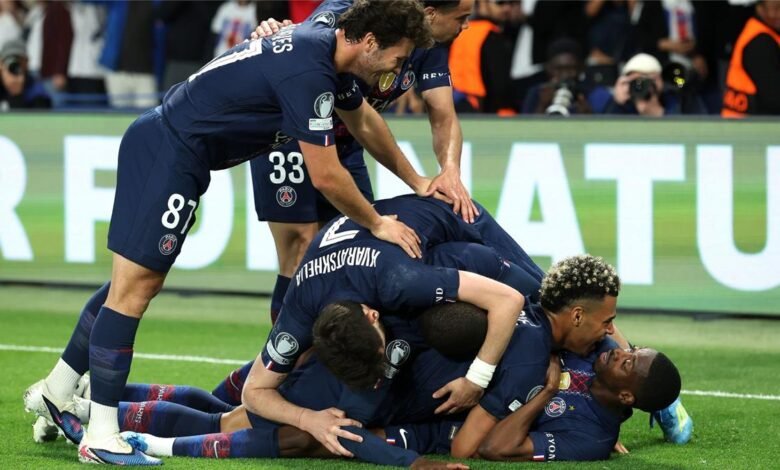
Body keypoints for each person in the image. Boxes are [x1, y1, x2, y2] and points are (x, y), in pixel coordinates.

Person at [23, 1, 434, 465]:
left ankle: (58, 390)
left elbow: (362, 122)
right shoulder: (311, 69)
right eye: (398, 58)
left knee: (134, 282)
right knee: (134, 288)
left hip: (178, 151)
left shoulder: (327, 60)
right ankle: (100, 435)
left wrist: (417, 181)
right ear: (370, 43)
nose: (397, 70)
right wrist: (377, 222)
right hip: (169, 150)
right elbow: (325, 175)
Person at [241, 195, 534, 457]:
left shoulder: (400, 282)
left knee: (544, 304)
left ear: (372, 314)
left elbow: (508, 300)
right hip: (388, 257)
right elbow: (253, 392)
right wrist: (307, 419)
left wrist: (476, 380)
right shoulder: (301, 305)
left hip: (457, 219)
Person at [249, 0, 478, 325]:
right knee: (301, 248)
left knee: (354, 249)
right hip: (289, 136)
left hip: (345, 146)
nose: (466, 26)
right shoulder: (348, 14)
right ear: (430, 14)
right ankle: (286, 351)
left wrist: (450, 170)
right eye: (462, 17)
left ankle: (336, 346)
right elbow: (304, 50)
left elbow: (443, 114)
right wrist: (276, 33)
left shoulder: (430, 46)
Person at [722, 0, 780, 117]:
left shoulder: (763, 31)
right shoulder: (760, 42)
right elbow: (773, 97)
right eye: (776, 8)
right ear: (760, 7)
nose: (777, 13)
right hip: (748, 122)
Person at [603, 52, 705, 116]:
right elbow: (605, 136)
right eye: (636, 81)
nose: (642, 86)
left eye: (649, 80)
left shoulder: (680, 99)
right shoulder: (623, 104)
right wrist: (617, 103)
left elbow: (697, 132)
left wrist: (660, 114)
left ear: (660, 80)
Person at [0, 39, 51, 111]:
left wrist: (16, 94)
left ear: (26, 62)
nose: (13, 64)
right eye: (8, 59)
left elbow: (39, 116)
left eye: (18, 59)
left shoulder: (36, 91)